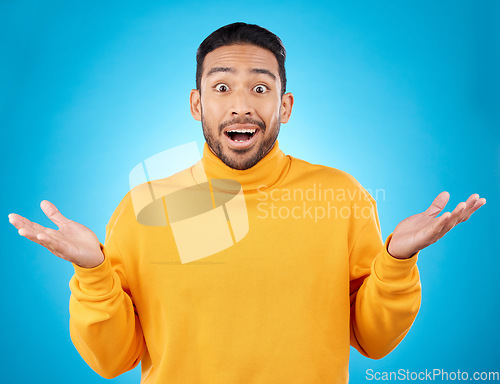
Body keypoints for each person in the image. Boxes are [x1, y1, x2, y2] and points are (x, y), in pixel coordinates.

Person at [8, 22, 486, 383]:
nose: (241, 105)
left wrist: (397, 261)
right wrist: (93, 275)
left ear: (286, 105)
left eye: (261, 88)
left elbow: (375, 341)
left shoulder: (339, 196)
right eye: (221, 87)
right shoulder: (145, 207)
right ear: (197, 105)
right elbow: (112, 360)